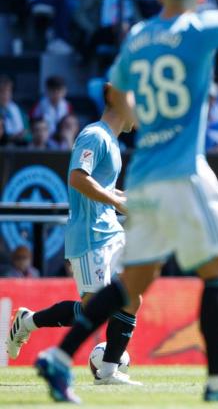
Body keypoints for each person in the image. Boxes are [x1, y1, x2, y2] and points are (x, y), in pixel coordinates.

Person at [34, 0, 218, 404]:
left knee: (133, 282)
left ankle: (58, 355)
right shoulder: (199, 27)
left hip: (144, 172)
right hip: (183, 169)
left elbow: (122, 95)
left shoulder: (139, 36)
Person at [6, 83, 140, 386]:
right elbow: (78, 178)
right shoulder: (95, 135)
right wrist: (117, 201)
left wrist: (124, 198)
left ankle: (108, 371)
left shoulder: (114, 143)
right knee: (97, 310)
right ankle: (27, 322)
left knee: (132, 294)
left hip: (109, 230)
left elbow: (102, 187)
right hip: (89, 235)